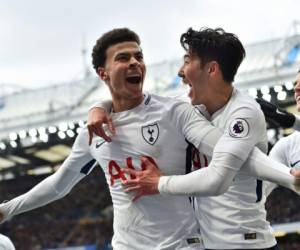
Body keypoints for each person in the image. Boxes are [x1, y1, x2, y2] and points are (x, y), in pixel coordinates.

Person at [0, 28, 299, 250]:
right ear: (103, 73)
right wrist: (7, 209)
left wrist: (288, 177)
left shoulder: (175, 112)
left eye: (139, 56)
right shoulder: (94, 132)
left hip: (184, 245)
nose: (135, 63)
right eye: (123, 58)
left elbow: (231, 152)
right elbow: (60, 183)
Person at [87, 28, 296, 250]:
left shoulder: (243, 113)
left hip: (249, 244)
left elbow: (219, 178)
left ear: (211, 70)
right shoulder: (188, 108)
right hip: (209, 244)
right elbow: (138, 105)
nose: (180, 72)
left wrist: (158, 183)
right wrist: (99, 108)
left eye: (187, 62)